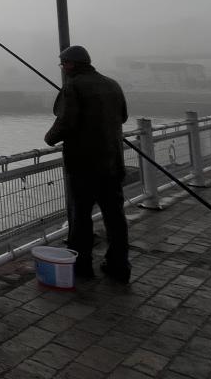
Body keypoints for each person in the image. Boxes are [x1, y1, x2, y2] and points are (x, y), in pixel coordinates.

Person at [44, 44, 131, 282]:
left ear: (71, 64)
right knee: (115, 217)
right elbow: (123, 116)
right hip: (113, 163)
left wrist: (49, 138)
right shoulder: (112, 84)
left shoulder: (74, 86)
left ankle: (82, 267)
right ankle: (119, 265)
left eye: (63, 64)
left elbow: (66, 122)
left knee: (80, 218)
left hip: (83, 165)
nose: (62, 68)